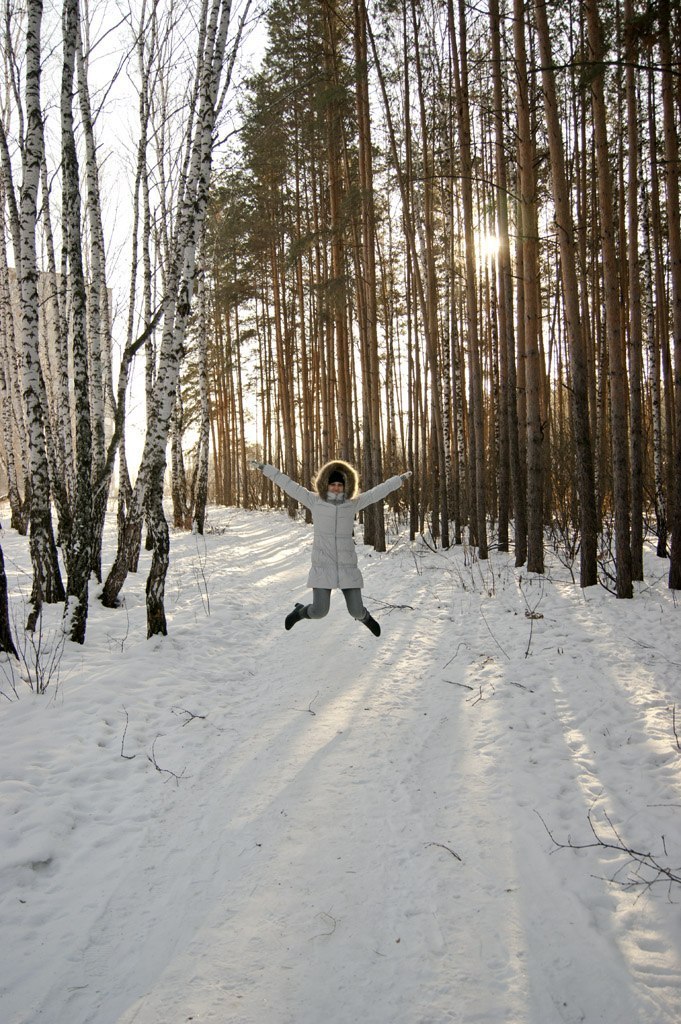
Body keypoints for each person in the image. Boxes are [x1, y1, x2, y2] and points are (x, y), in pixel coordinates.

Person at [251, 459, 411, 637]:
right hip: (323, 565)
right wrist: (265, 469)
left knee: (357, 611)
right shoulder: (314, 501)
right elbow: (288, 484)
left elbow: (376, 493)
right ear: (325, 484)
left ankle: (365, 618)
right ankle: (300, 612)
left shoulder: (352, 503)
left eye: (339, 485)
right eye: (332, 484)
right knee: (319, 611)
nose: (336, 488)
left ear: (345, 486)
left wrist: (399, 480)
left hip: (347, 566)